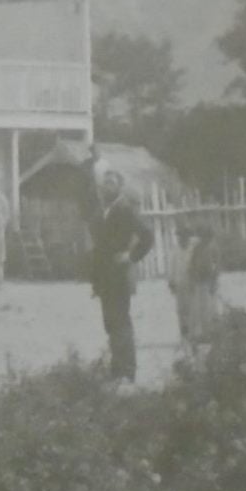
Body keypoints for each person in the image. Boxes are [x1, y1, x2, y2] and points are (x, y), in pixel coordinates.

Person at [88, 164, 154, 384]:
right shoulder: (100, 212)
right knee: (110, 323)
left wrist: (130, 256)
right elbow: (98, 246)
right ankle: (116, 369)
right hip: (104, 277)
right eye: (104, 183)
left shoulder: (125, 209)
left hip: (119, 274)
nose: (106, 187)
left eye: (111, 183)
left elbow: (147, 235)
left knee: (121, 322)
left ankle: (128, 370)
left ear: (120, 187)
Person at [168, 222, 221, 348]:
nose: (183, 238)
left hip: (196, 282)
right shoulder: (176, 250)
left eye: (185, 235)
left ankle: (201, 334)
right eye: (180, 236)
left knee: (198, 309)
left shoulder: (195, 247)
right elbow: (172, 267)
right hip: (181, 283)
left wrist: (213, 279)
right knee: (182, 310)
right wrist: (171, 282)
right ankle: (185, 336)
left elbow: (214, 265)